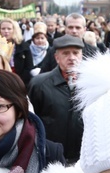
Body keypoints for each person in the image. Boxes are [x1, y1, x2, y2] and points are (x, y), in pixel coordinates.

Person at [28, 35, 84, 163]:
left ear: (81, 55)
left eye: (76, 53)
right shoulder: (39, 84)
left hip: (83, 157)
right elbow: (30, 121)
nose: (72, 58)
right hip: (50, 156)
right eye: (65, 54)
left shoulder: (91, 84)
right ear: (57, 58)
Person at [13, 22, 49, 87]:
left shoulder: (50, 50)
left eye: (42, 38)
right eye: (37, 38)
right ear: (33, 39)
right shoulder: (27, 48)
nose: (40, 40)